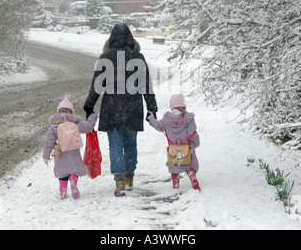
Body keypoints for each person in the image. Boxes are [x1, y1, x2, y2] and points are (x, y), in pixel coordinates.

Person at [84, 24, 158, 197]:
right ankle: (129, 177)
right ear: (131, 39)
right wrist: (152, 107)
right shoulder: (138, 58)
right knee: (130, 143)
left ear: (111, 40)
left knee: (115, 144)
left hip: (112, 108)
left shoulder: (105, 58)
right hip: (133, 108)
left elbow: (96, 86)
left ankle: (119, 182)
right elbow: (146, 85)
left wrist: (89, 106)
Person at [43, 97, 97, 200]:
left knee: (62, 173)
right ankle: (73, 180)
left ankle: (63, 192)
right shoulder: (75, 124)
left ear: (58, 112)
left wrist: (46, 156)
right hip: (73, 153)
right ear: (71, 112)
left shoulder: (54, 127)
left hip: (60, 154)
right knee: (74, 171)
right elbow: (88, 127)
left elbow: (48, 143)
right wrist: (93, 116)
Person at [147, 93, 201, 191]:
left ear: (172, 106)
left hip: (173, 149)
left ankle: (175, 181)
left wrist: (151, 119)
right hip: (187, 147)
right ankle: (191, 174)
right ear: (183, 105)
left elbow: (158, 126)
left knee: (174, 164)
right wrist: (196, 143)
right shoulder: (188, 119)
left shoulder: (167, 119)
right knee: (190, 163)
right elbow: (192, 133)